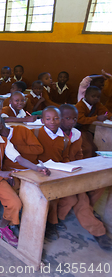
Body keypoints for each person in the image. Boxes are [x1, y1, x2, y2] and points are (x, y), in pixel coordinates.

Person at [0, 113, 49, 247]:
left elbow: (19, 159)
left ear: (0, 127)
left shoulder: (4, 142)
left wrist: (37, 168)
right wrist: (3, 173)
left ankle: (2, 225)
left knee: (15, 203)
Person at [56, 104, 112, 251]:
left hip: (74, 171)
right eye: (67, 118)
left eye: (74, 118)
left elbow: (79, 155)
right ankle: (98, 231)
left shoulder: (76, 134)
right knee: (81, 199)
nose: (71, 121)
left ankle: (87, 213)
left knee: (99, 184)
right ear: (58, 119)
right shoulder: (53, 134)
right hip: (59, 175)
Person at [36, 106, 71, 240]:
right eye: (48, 119)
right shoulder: (37, 134)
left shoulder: (65, 139)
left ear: (61, 120)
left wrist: (66, 169)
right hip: (38, 170)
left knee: (68, 197)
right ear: (42, 121)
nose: (53, 122)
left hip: (56, 172)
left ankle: (52, 221)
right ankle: (51, 223)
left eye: (56, 118)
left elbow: (65, 158)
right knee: (51, 195)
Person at [75, 86, 111, 158]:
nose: (96, 98)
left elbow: (105, 111)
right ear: (86, 95)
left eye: (98, 97)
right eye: (93, 96)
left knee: (95, 148)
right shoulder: (80, 106)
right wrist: (96, 118)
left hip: (87, 131)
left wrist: (110, 116)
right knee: (88, 148)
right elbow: (81, 120)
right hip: (78, 130)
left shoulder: (97, 104)